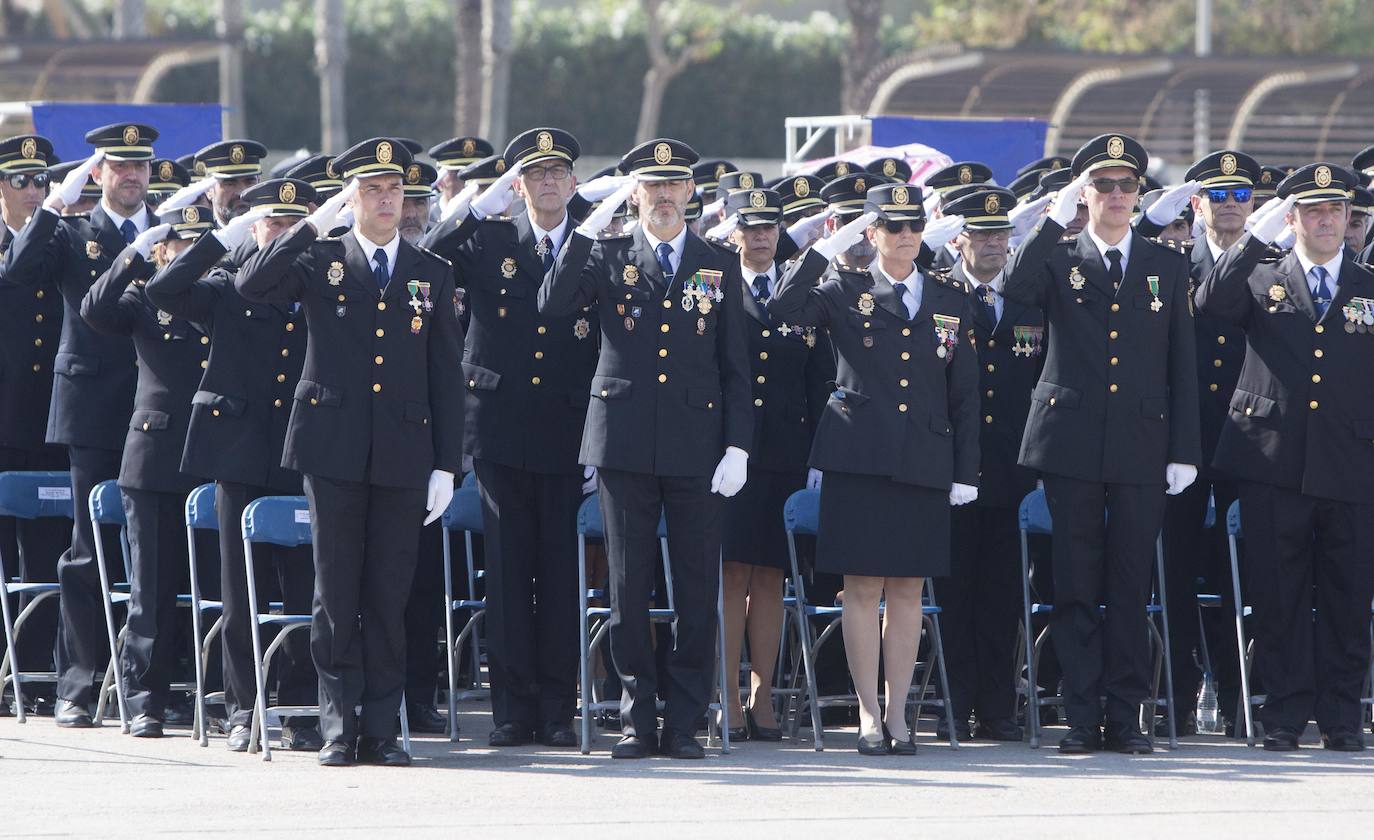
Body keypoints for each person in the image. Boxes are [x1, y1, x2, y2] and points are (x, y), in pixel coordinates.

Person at [235, 138, 464, 767]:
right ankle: (338, 726)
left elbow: (446, 374)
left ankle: (382, 730)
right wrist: (313, 221)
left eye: (394, 190)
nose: (386, 200)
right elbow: (254, 282)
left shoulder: (430, 273)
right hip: (332, 449)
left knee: (388, 596)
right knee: (334, 594)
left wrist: (448, 463)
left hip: (404, 452)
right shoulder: (319, 257)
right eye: (371, 190)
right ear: (351, 197)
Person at [539, 138, 752, 760]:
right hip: (624, 442)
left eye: (674, 186)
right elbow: (551, 305)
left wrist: (738, 445)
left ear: (691, 193)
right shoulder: (605, 255)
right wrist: (586, 228)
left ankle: (683, 721)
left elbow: (734, 364)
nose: (663, 196)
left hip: (697, 446)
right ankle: (637, 719)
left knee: (692, 592)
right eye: (652, 187)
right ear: (634, 194)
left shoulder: (718, 262)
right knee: (628, 592)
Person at [1001, 133, 1201, 755]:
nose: (1117, 195)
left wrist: (1184, 450)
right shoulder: (1058, 259)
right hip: (1073, 440)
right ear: (1083, 193)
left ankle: (1125, 715)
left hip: (1143, 440)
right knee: (1076, 583)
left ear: (1140, 195)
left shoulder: (1166, 264)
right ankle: (1082, 716)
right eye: (1104, 185)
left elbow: (1181, 365)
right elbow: (1015, 289)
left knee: (1130, 583)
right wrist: (1053, 219)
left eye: (1127, 186)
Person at [769, 182, 980, 755]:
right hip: (858, 459)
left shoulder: (948, 298)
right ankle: (866, 714)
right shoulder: (844, 288)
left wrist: (967, 470)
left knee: (908, 590)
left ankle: (898, 714)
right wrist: (824, 244)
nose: (905, 235)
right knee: (861, 589)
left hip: (924, 459)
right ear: (872, 233)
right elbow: (783, 308)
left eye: (913, 225)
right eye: (891, 226)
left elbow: (964, 394)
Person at [420, 127, 601, 748]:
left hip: (567, 430)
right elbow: (430, 251)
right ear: (516, 185)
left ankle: (556, 708)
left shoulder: (593, 241)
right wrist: (474, 203)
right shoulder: (491, 236)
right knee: (506, 573)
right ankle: (511, 710)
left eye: (558, 173)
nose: (548, 183)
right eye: (535, 174)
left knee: (558, 576)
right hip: (497, 428)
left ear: (573, 183)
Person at [1196, 163, 1374, 752]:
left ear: (1349, 219)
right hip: (1272, 458)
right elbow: (1211, 304)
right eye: (1313, 211)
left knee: (1347, 595)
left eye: (1336, 211)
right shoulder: (1259, 274)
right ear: (1291, 218)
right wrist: (1253, 236)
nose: (1327, 220)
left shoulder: (1369, 283)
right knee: (1278, 595)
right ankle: (1285, 715)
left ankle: (1343, 717)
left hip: (1352, 461)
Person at [145, 178, 322, 752]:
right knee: (240, 591)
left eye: (293, 226)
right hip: (237, 450)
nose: (282, 235)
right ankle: (243, 707)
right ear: (254, 226)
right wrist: (219, 239)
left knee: (302, 589)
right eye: (273, 224)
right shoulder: (226, 284)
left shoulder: (316, 280)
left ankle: (299, 708)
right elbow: (165, 291)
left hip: (300, 451)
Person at [0, 123, 156, 728]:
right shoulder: (72, 232)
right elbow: (15, 271)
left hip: (155, 411)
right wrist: (55, 203)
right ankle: (79, 684)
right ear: (99, 173)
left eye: (140, 166)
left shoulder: (164, 235)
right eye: (120, 167)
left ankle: (148, 690)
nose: (132, 176)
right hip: (93, 408)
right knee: (88, 551)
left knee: (154, 555)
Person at [78, 206, 216, 737]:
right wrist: (130, 256)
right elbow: (94, 309)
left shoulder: (219, 294)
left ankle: (207, 692)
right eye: (178, 243)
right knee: (151, 591)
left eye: (198, 243)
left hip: (209, 456)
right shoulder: (141, 295)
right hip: (154, 456)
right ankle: (145, 700)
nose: (188, 253)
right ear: (162, 249)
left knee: (209, 588)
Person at [1138, 150, 1259, 735]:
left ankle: (1240, 702)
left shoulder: (1271, 265)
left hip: (1248, 442)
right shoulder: (1168, 265)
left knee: (1242, 579)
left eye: (1240, 196)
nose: (1230, 206)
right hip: (1181, 441)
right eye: (1218, 196)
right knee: (1176, 574)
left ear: (1253, 205)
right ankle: (1178, 701)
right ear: (1196, 204)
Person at [712, 187, 833, 741]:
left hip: (786, 448)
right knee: (732, 572)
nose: (761, 236)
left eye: (770, 227)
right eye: (751, 226)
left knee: (771, 576)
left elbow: (818, 380)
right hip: (730, 452)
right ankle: (730, 698)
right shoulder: (712, 282)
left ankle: (764, 697)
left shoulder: (801, 287)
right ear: (732, 229)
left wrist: (817, 457)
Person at [935, 186, 1042, 743]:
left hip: (1010, 469)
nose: (995, 245)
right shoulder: (941, 296)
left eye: (1002, 234)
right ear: (960, 240)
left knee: (1003, 593)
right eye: (983, 235)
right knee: (955, 593)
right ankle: (956, 702)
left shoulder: (1027, 300)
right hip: (952, 469)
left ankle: (998, 705)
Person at [0, 134, 68, 712]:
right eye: (20, 181)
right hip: (3, 422)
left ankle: (36, 673)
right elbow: (14, 278)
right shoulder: (17, 244)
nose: (33, 192)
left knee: (46, 553)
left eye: (41, 181)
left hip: (49, 422)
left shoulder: (57, 238)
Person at [193, 140, 267, 226]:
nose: (241, 192)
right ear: (209, 190)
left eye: (250, 182)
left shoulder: (275, 236)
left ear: (259, 182)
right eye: (230, 184)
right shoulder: (201, 239)